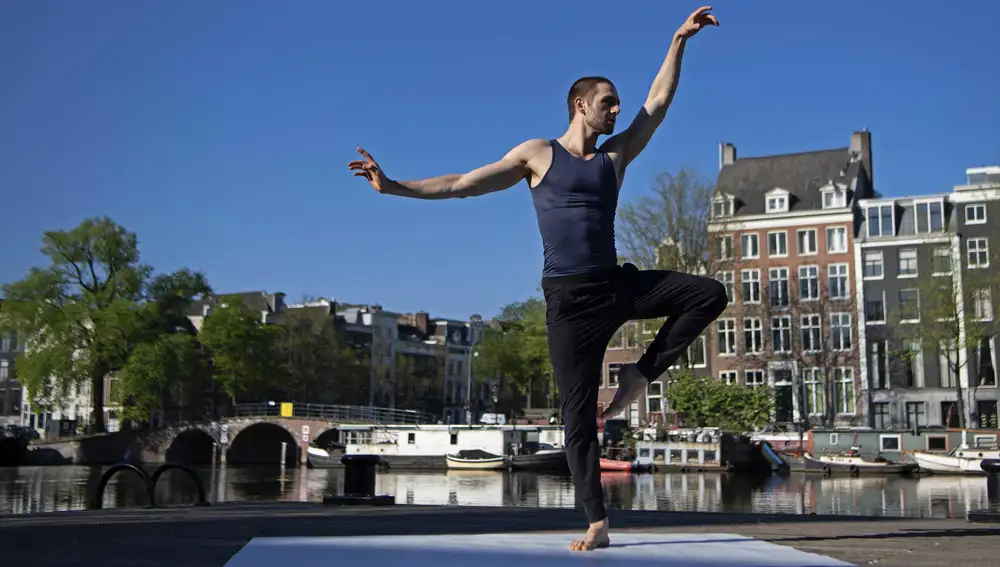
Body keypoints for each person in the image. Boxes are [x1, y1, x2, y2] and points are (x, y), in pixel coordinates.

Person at [349, 5, 726, 551]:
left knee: (708, 293)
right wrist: (395, 186)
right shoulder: (537, 155)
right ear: (580, 105)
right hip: (569, 302)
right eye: (607, 103)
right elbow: (462, 183)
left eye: (618, 103)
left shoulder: (614, 156)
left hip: (614, 284)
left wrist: (678, 41)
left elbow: (658, 104)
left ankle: (641, 375)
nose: (617, 111)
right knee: (576, 415)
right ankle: (596, 520)